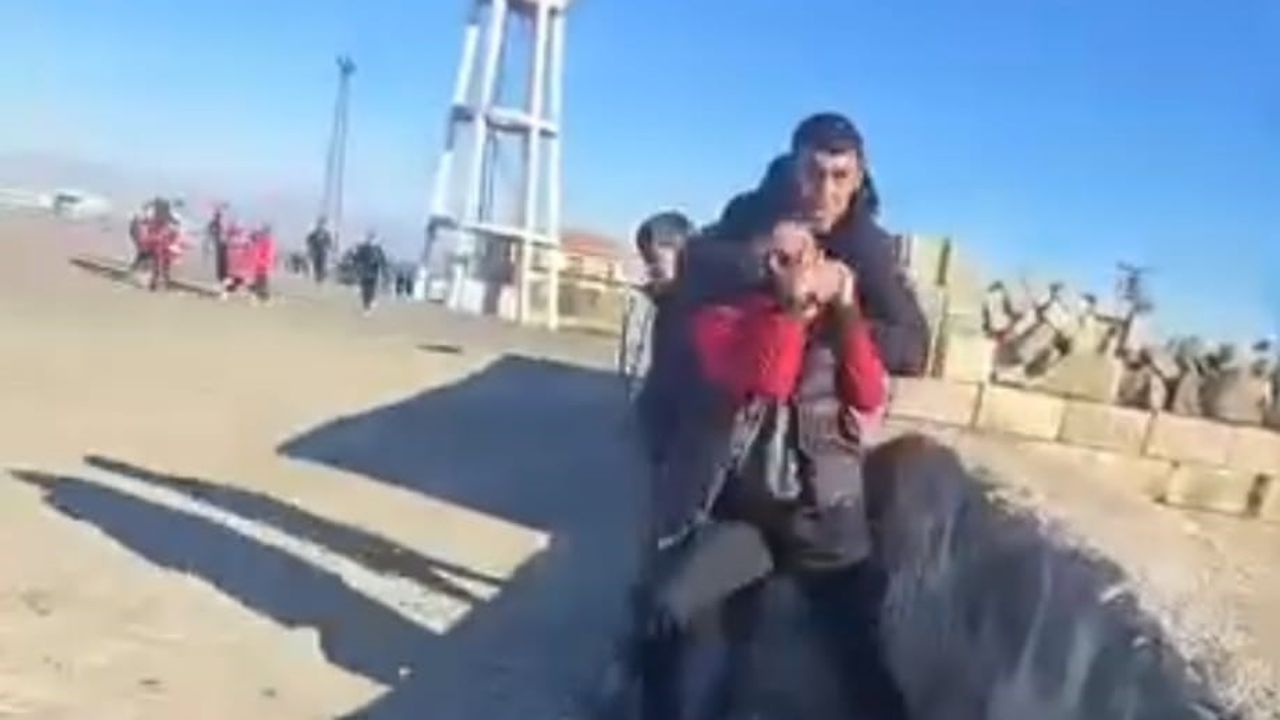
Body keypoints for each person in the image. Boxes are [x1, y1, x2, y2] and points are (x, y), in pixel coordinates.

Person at [636, 210, 906, 720]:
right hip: (753, 514)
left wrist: (847, 308)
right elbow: (771, 381)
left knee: (859, 664)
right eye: (778, 259)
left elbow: (868, 392)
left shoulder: (840, 325)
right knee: (666, 613)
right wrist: (791, 309)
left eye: (802, 258)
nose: (792, 269)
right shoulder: (722, 319)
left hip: (827, 523)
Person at [699, 112, 929, 377]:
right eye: (813, 173)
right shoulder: (753, 211)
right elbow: (693, 266)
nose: (825, 193)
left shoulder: (866, 245)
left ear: (857, 179)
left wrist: (833, 304)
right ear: (792, 171)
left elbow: (914, 348)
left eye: (840, 176)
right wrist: (767, 262)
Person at [621, 211, 698, 461]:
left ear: (682, 251)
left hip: (684, 421)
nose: (650, 269)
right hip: (658, 407)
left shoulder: (699, 304)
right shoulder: (662, 299)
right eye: (647, 261)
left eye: (654, 260)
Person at [141, 198, 182, 292]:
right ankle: (161, 283)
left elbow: (144, 221)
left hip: (159, 243)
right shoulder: (161, 217)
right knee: (162, 265)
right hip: (159, 243)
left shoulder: (157, 217)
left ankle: (157, 283)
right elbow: (175, 222)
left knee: (160, 264)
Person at [351, 231, 388, 314]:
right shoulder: (364, 248)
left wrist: (384, 271)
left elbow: (382, 261)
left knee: (371, 289)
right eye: (370, 238)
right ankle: (366, 306)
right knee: (365, 290)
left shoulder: (377, 249)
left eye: (372, 238)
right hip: (365, 272)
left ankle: (369, 303)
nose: (371, 240)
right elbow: (356, 258)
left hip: (372, 273)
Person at [248, 223, 277, 303]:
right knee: (259, 280)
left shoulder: (268, 241)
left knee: (262, 281)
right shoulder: (261, 240)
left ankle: (264, 297)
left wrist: (265, 262)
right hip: (259, 264)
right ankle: (260, 296)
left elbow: (270, 254)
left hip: (263, 264)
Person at [306, 218, 334, 285]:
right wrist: (311, 248)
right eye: (320, 224)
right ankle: (317, 277)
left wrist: (329, 247)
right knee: (316, 264)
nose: (321, 226)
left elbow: (329, 242)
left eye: (322, 224)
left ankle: (321, 277)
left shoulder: (326, 233)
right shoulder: (314, 233)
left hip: (323, 251)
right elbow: (308, 240)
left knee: (322, 264)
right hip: (316, 251)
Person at [207, 205, 229, 283]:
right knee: (220, 261)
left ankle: (223, 276)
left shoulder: (221, 223)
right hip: (218, 243)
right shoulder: (213, 223)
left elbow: (225, 232)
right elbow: (210, 232)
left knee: (224, 261)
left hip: (223, 243)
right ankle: (221, 277)